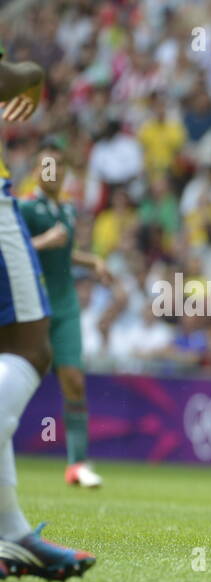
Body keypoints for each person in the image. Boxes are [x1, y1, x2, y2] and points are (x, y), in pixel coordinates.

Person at [0, 45, 96, 581]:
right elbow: (8, 77)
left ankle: (13, 536)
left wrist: (89, 259)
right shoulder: (34, 205)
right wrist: (32, 77)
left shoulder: (69, 208)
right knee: (28, 352)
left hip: (66, 296)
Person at [19, 136, 113, 488]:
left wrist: (93, 261)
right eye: (46, 165)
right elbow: (10, 251)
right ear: (36, 170)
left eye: (58, 166)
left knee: (74, 381)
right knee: (17, 383)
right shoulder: (24, 209)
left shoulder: (69, 210)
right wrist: (44, 241)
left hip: (66, 305)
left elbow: (66, 252)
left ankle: (78, 465)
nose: (53, 172)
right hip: (32, 308)